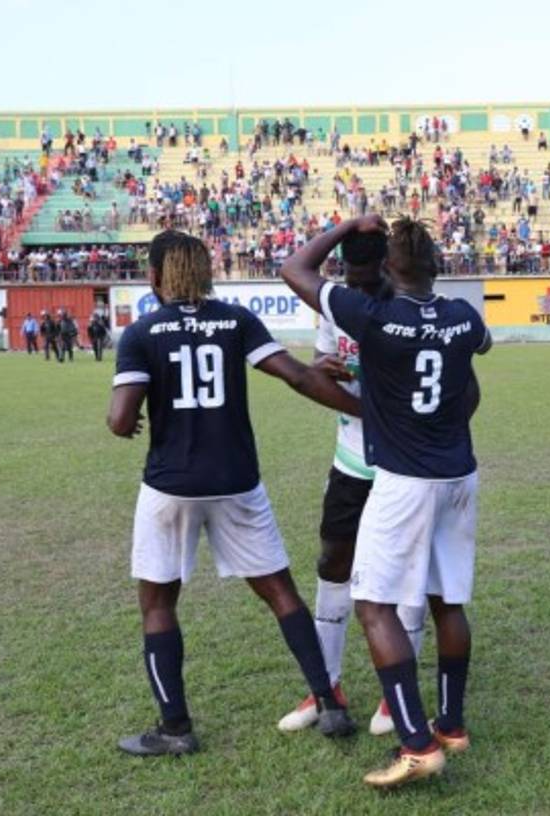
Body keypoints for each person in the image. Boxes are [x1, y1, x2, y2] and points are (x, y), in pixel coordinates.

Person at [107, 230, 359, 756]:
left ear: (154, 277)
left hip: (171, 485)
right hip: (236, 482)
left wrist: (130, 418)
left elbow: (120, 420)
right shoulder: (236, 321)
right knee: (280, 592)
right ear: (206, 273)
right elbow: (295, 376)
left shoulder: (142, 333)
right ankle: (329, 704)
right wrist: (369, 410)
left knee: (157, 604)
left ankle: (175, 729)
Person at [282, 215, 492, 789]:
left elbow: (293, 269)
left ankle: (416, 743)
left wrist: (347, 223)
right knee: (448, 599)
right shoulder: (462, 316)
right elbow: (478, 352)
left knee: (372, 603)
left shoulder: (373, 317)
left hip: (405, 481)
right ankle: (450, 723)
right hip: (459, 475)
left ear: (386, 269)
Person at [276, 230, 428, 739]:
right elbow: (319, 370)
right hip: (350, 459)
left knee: (406, 574)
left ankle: (396, 695)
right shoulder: (337, 306)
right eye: (350, 280)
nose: (358, 292)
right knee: (332, 563)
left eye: (368, 281)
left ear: (388, 269)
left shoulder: (410, 309)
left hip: (404, 465)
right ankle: (328, 687)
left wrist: (383, 415)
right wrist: (325, 369)